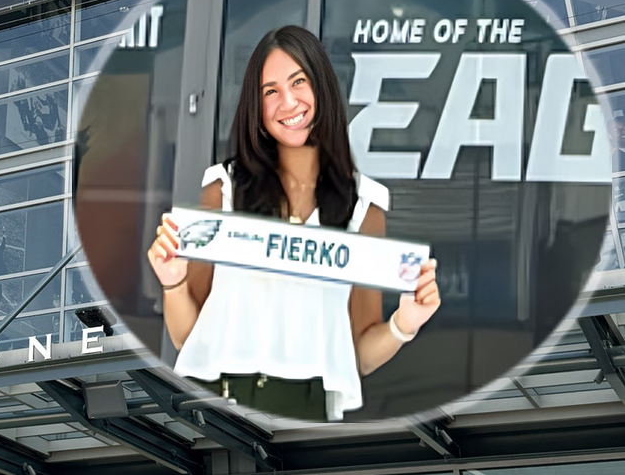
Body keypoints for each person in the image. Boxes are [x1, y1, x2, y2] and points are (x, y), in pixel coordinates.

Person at [147, 26, 440, 421]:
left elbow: (359, 355)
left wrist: (405, 324)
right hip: (216, 400)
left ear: (321, 87)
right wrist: (173, 283)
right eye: (270, 91)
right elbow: (186, 336)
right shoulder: (225, 188)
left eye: (298, 82)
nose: (288, 102)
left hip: (305, 409)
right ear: (257, 106)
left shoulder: (363, 206)